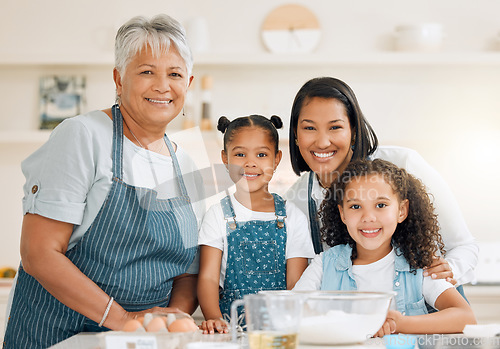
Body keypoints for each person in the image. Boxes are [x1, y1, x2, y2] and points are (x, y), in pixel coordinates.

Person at [3, 14, 205, 349]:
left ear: (189, 83)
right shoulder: (82, 135)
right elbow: (39, 252)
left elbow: (188, 271)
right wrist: (124, 320)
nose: (162, 86)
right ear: (119, 79)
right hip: (61, 336)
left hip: (143, 341)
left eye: (174, 74)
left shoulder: (186, 163)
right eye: (146, 72)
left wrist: (169, 320)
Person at [284, 77, 478, 289]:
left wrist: (448, 271)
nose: (322, 142)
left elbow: (464, 246)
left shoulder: (404, 163)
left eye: (335, 127)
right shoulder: (295, 202)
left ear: (354, 131)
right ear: (295, 134)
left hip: (429, 311)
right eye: (309, 128)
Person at [294, 159, 477, 335]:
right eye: (355, 206)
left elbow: (466, 317)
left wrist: (400, 324)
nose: (368, 217)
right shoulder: (324, 265)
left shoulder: (418, 266)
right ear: (342, 214)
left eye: (380, 205)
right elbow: (291, 312)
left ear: (401, 211)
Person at [197, 115, 315, 334]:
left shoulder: (292, 216)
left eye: (262, 154)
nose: (250, 163)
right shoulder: (217, 215)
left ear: (276, 159)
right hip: (229, 331)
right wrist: (214, 319)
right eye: (240, 154)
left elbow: (296, 283)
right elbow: (208, 277)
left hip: (280, 330)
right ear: (225, 158)